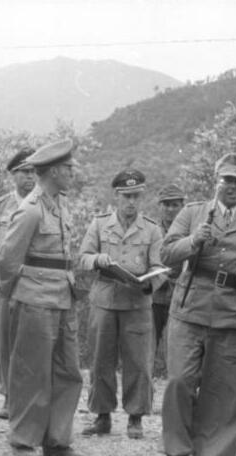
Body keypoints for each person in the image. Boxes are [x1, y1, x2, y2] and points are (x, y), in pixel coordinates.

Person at [157, 153, 236, 456]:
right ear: (216, 180)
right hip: (189, 309)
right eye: (227, 179)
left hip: (231, 313)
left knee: (222, 387)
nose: (233, 186)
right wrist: (194, 241)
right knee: (179, 381)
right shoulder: (193, 213)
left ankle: (208, 453)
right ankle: (176, 450)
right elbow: (166, 253)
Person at [0, 138, 88, 456]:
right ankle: (23, 439)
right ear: (51, 172)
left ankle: (57, 441)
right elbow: (6, 260)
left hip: (63, 298)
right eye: (67, 168)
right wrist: (14, 295)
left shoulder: (59, 204)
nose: (72, 172)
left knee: (68, 371)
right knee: (30, 371)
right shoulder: (31, 210)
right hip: (34, 299)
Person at [78, 170, 165, 439]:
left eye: (136, 196)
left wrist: (150, 283)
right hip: (104, 300)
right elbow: (82, 257)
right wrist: (98, 260)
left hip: (138, 303)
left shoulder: (152, 229)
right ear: (116, 196)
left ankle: (135, 417)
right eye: (127, 196)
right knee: (100, 359)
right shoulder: (100, 224)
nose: (131, 202)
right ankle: (102, 416)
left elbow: (160, 267)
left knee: (138, 361)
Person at [0, 147, 36, 420]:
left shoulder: (43, 205)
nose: (30, 178)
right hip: (4, 281)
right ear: (13, 175)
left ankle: (25, 394)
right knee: (1, 339)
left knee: (28, 339)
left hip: (34, 281)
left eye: (34, 172)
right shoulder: (0, 206)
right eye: (25, 172)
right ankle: (6, 395)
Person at [151, 184, 185, 376]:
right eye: (166, 205)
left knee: (179, 349)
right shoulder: (151, 231)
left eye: (175, 205)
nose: (171, 209)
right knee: (148, 346)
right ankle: (145, 397)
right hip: (154, 297)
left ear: (182, 207)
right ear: (159, 206)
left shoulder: (189, 232)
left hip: (180, 298)